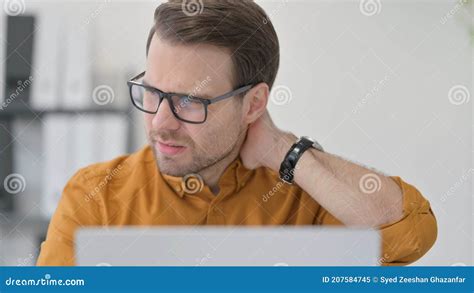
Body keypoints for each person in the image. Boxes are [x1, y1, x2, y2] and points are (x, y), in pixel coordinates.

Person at [37, 0, 437, 266]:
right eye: (152, 92)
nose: (160, 121)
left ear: (254, 104)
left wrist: (285, 150)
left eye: (190, 101)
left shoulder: (307, 200)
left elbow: (407, 233)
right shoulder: (96, 197)